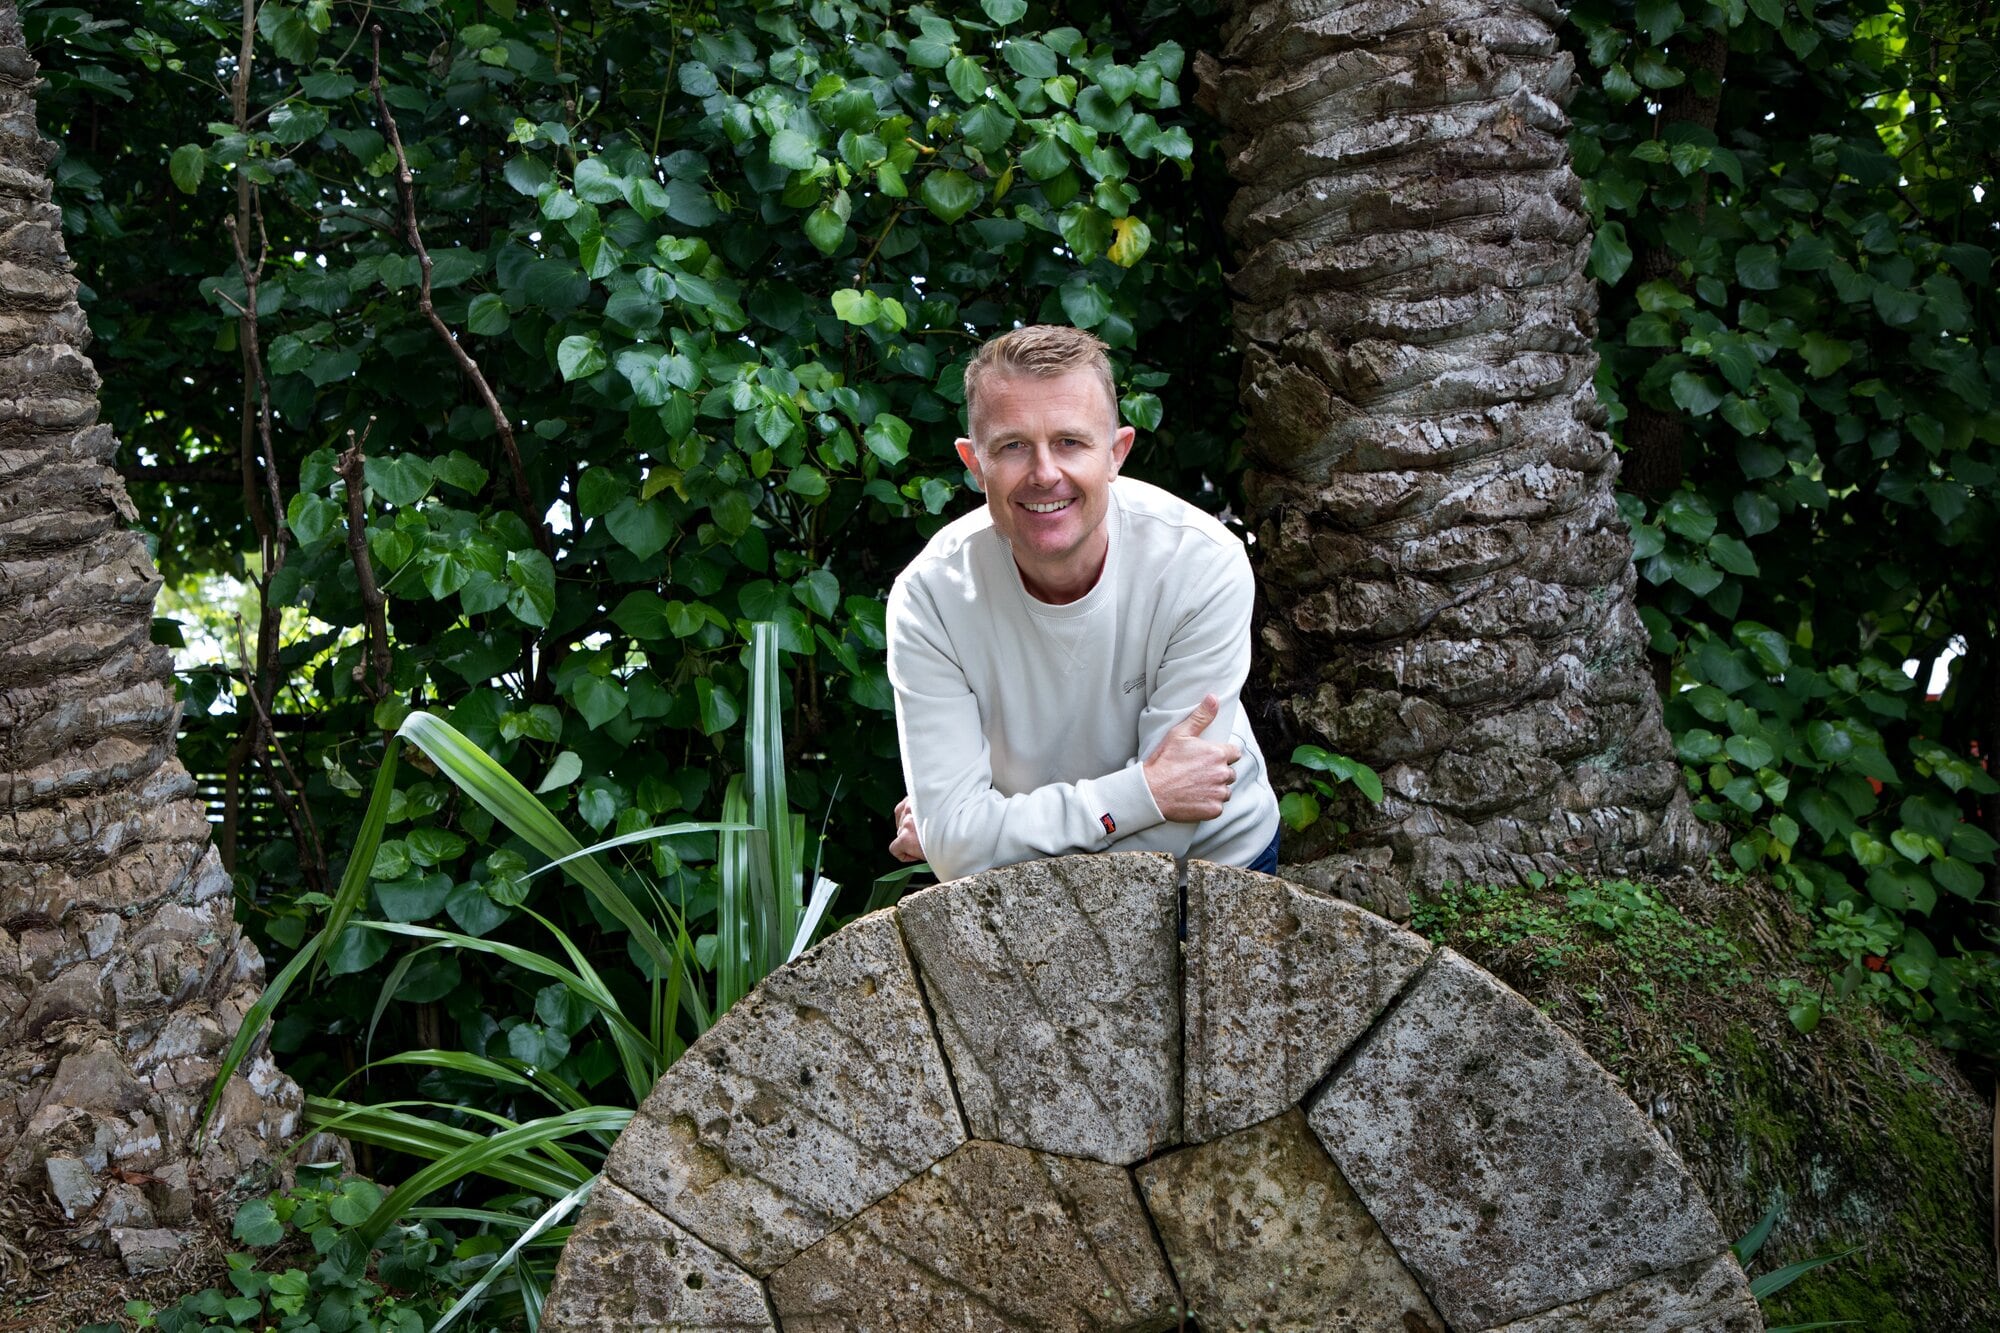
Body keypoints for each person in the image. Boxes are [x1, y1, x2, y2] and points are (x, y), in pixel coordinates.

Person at [884, 324, 1280, 883]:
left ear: (1117, 454)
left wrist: (981, 835)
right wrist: (1144, 792)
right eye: (1013, 446)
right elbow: (955, 849)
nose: (1045, 474)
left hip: (1218, 866)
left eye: (1070, 442)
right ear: (975, 465)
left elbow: (1169, 833)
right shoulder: (931, 599)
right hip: (1027, 891)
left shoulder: (1200, 563)